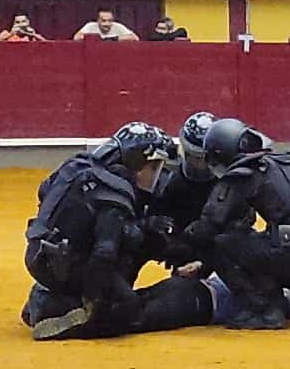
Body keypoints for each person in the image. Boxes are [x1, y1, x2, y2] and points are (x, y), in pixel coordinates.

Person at [20, 122, 188, 340]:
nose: (156, 174)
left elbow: (44, 192)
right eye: (153, 167)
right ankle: (52, 307)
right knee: (129, 311)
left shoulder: (78, 166)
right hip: (67, 265)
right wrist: (97, 302)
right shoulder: (115, 195)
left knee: (130, 235)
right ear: (137, 164)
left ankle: (46, 296)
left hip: (40, 252)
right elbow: (104, 253)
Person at [177, 118, 290, 330]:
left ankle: (262, 310)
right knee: (272, 249)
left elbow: (210, 225)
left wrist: (180, 240)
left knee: (222, 243)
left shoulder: (242, 174)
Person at [73, 8, 138, 41]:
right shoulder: (90, 26)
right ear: (98, 20)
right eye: (103, 21)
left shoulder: (118, 26)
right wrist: (97, 39)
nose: (107, 24)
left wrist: (114, 39)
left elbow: (135, 38)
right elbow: (76, 37)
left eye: (110, 21)